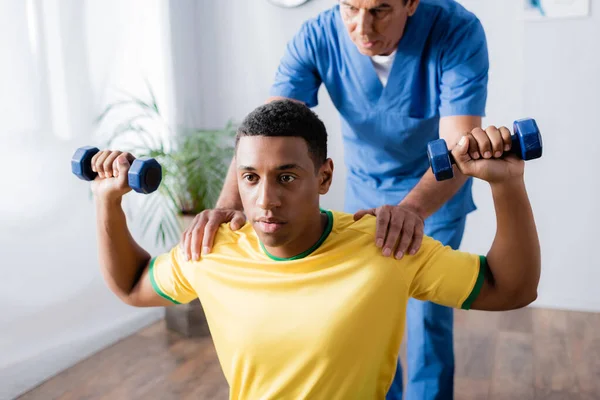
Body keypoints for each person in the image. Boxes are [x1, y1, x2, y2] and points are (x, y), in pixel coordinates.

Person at [90, 100, 539, 400]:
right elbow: (132, 284)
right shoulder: (212, 250)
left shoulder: (384, 244)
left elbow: (510, 288)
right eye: (250, 177)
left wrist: (507, 185)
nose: (266, 199)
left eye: (286, 176)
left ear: (323, 177)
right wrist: (107, 201)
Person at [181, 1, 489, 398]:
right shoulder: (317, 36)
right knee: (370, 315)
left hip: (433, 193)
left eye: (379, 10)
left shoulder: (456, 31)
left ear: (411, 3)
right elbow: (267, 134)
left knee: (427, 321)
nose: (362, 27)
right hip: (365, 190)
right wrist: (229, 204)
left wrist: (411, 211)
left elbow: (456, 145)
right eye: (350, 7)